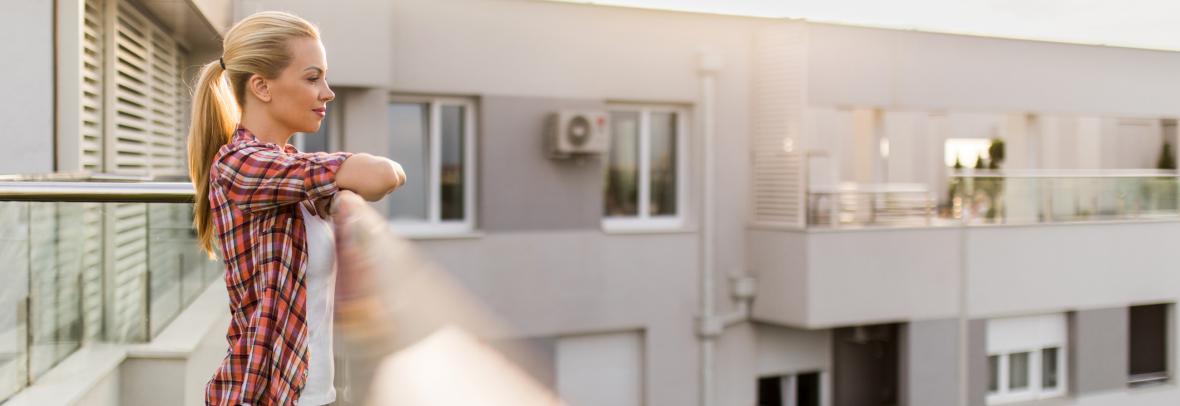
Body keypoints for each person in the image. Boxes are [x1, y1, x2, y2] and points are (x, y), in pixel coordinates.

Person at [186, 11, 405, 406]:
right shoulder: (241, 164)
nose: (327, 92)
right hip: (262, 396)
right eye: (312, 77)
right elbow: (381, 176)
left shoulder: (287, 170)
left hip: (307, 394)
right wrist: (346, 178)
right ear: (262, 87)